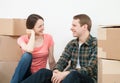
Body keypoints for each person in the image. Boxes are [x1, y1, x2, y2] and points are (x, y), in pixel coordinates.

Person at [21, 14, 97, 83]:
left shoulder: (95, 44)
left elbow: (90, 69)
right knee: (43, 72)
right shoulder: (72, 44)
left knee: (73, 74)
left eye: (74, 25)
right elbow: (62, 61)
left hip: (86, 79)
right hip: (69, 78)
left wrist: (66, 73)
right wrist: (56, 71)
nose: (71, 28)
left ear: (84, 27)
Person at [10, 14, 56, 83]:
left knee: (44, 72)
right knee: (27, 56)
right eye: (40, 26)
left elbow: (51, 60)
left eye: (43, 25)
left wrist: (55, 76)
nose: (43, 28)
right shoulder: (22, 39)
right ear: (31, 28)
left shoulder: (48, 38)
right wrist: (32, 34)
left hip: (40, 75)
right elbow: (29, 50)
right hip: (26, 74)